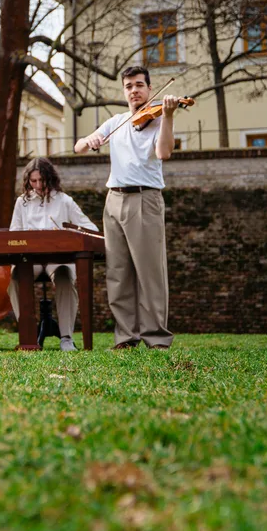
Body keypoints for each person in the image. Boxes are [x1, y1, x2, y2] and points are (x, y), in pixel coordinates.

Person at [74, 66, 179, 349]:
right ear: (124, 91)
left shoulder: (159, 120)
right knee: (118, 272)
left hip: (145, 198)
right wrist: (90, 140)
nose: (134, 90)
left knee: (149, 272)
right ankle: (126, 336)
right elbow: (79, 147)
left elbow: (164, 152)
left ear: (149, 88)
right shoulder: (116, 122)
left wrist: (168, 115)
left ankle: (156, 338)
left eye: (139, 85)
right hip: (114, 200)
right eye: (129, 86)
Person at [6, 157, 98, 351]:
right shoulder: (22, 202)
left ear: (50, 178)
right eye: (33, 181)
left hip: (59, 259)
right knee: (16, 277)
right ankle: (27, 334)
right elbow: (14, 233)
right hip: (31, 259)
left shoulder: (64, 201)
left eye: (42, 180)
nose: (38, 185)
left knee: (64, 276)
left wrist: (69, 233)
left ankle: (66, 337)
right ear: (28, 181)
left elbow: (91, 229)